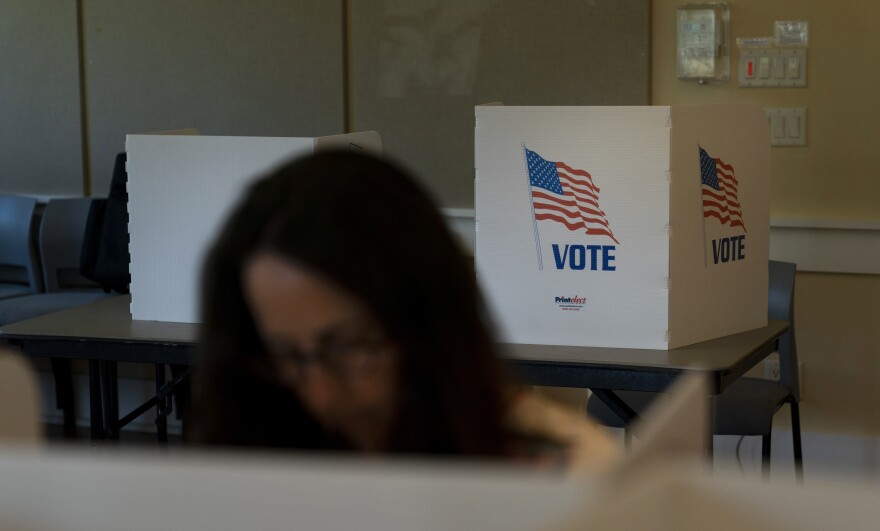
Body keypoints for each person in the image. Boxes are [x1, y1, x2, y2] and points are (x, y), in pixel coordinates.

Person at [193, 151, 618, 471]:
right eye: (285, 356)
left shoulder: (567, 469)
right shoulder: (247, 458)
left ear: (429, 325)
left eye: (349, 346)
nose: (321, 395)